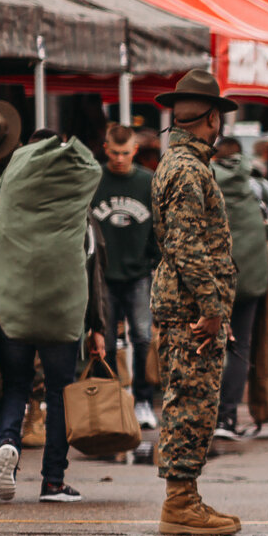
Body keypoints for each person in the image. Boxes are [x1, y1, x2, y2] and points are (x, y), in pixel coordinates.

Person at [0, 142, 111, 505]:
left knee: (16, 384)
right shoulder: (76, 199)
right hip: (62, 313)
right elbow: (93, 264)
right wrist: (98, 324)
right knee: (58, 392)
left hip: (12, 307)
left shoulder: (3, 197)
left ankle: (7, 443)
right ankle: (53, 482)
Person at [147, 68, 243, 535]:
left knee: (189, 397)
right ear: (211, 118)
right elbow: (187, 246)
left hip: (182, 301)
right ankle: (180, 501)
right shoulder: (188, 170)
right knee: (192, 401)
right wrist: (211, 309)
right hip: (190, 307)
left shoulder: (176, 163)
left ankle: (185, 496)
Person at [91, 121, 158, 423]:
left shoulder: (147, 182)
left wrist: (154, 259)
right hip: (103, 273)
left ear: (135, 150)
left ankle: (143, 399)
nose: (119, 158)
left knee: (143, 337)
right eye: (114, 152)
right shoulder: (94, 180)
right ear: (106, 149)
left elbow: (160, 224)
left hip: (138, 273)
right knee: (103, 339)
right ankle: (113, 401)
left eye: (125, 152)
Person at [209, 138, 268, 441]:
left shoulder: (203, 180)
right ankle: (228, 416)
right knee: (240, 345)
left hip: (209, 279)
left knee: (207, 342)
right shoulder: (260, 186)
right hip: (249, 279)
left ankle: (201, 415)